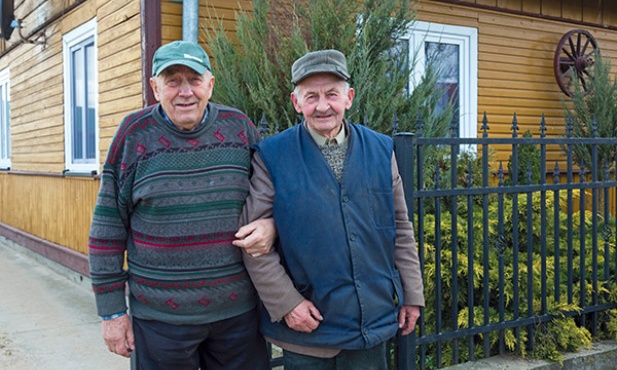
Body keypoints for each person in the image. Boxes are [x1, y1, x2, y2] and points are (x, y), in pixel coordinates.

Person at [88, 40, 275, 370]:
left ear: (210, 84)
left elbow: (270, 197)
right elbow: (107, 229)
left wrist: (271, 226)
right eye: (173, 80)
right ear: (155, 87)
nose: (185, 91)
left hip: (238, 316)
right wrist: (113, 312)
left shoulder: (239, 129)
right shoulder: (133, 135)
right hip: (160, 321)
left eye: (195, 79)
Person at [238, 49, 425, 369]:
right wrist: (287, 303)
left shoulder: (381, 149)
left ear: (348, 97)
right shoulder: (272, 155)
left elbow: (400, 226)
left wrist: (412, 293)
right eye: (311, 96)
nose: (322, 105)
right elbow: (253, 243)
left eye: (332, 94)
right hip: (307, 328)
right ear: (296, 103)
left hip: (373, 319)